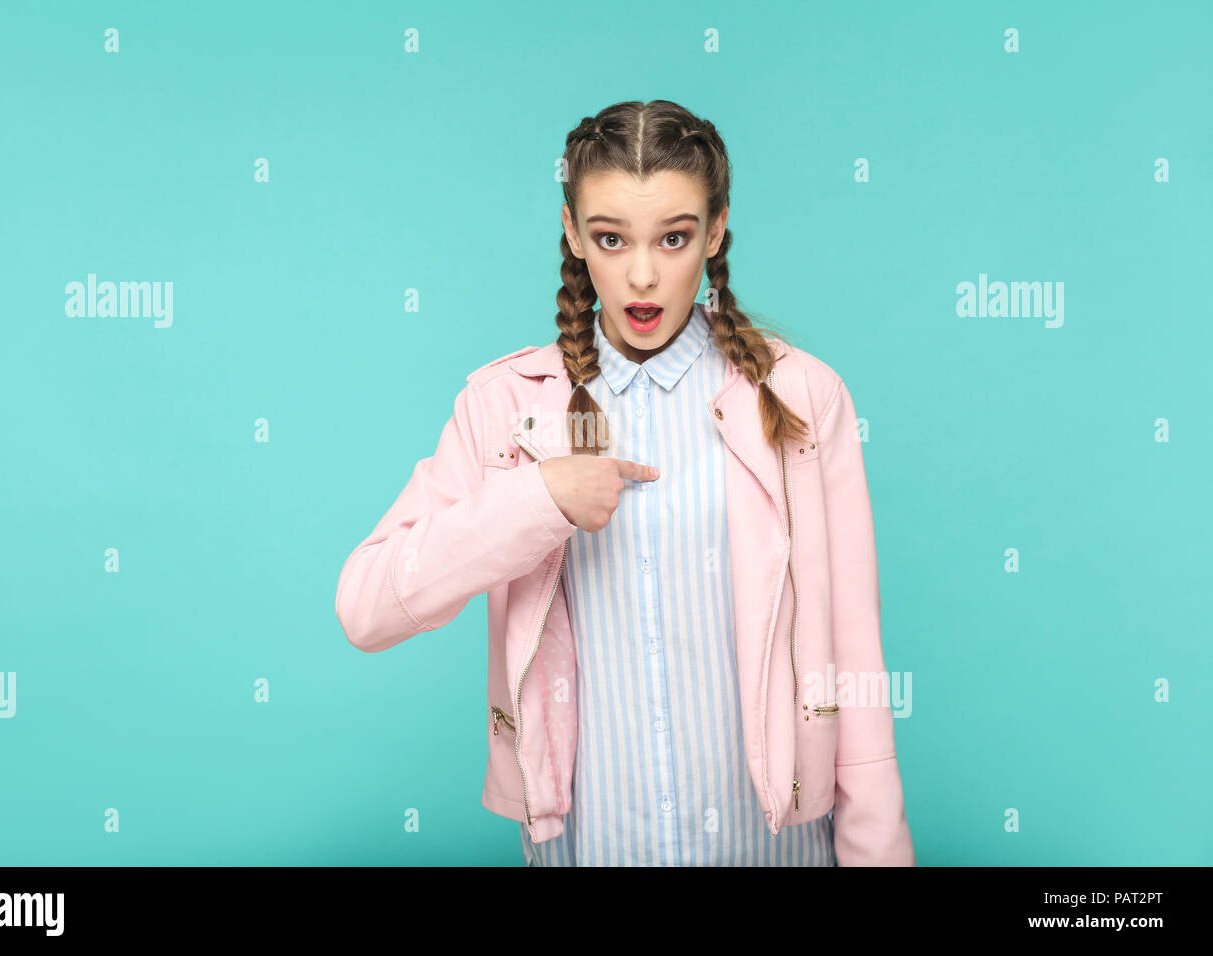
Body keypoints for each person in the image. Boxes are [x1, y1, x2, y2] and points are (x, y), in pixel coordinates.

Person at [336, 100, 915, 867]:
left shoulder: (801, 398)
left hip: (771, 848)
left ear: (715, 232)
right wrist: (537, 500)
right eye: (611, 238)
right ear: (573, 233)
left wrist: (878, 855)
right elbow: (367, 607)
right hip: (592, 846)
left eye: (674, 238)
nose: (643, 275)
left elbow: (856, 658)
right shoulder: (505, 406)